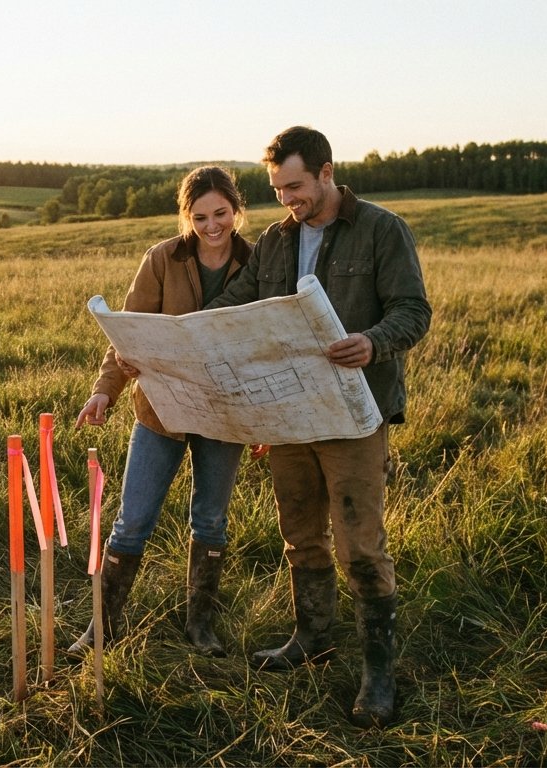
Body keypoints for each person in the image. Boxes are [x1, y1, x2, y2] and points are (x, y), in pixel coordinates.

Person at [204, 126, 431, 727]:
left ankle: (377, 675)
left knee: (361, 546)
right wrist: (189, 332)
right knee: (301, 534)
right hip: (288, 414)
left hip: (354, 414)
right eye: (278, 189)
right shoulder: (278, 240)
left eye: (296, 186)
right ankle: (314, 638)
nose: (287, 200)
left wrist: (372, 343)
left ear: (328, 172)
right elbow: (243, 300)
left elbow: (414, 310)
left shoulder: (382, 229)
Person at [70, 166, 253, 658]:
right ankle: (101, 628)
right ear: (185, 216)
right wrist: (104, 391)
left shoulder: (258, 262)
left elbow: (268, 346)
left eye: (220, 214)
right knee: (132, 520)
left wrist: (266, 420)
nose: (212, 226)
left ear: (236, 209)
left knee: (210, 522)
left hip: (224, 412)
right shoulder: (162, 259)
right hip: (160, 409)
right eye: (199, 217)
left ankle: (201, 628)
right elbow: (126, 333)